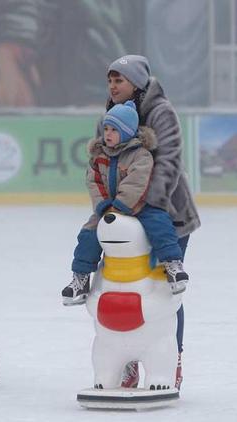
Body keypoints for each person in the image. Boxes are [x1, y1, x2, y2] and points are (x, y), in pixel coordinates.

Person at [96, 55, 201, 390]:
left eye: (119, 81)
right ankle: (127, 361)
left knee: (163, 288)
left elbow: (168, 163)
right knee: (125, 285)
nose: (113, 87)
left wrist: (141, 206)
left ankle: (172, 358)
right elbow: (102, 161)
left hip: (167, 213)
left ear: (137, 84)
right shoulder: (110, 113)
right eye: (110, 81)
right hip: (126, 216)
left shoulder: (160, 112)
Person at [62, 100, 189, 306]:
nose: (108, 134)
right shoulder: (98, 157)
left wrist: (120, 206)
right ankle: (81, 278)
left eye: (114, 129)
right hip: (107, 208)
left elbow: (136, 183)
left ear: (128, 131)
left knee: (160, 223)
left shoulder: (141, 155)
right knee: (88, 233)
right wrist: (103, 206)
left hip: (138, 206)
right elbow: (94, 182)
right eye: (106, 129)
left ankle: (173, 265)